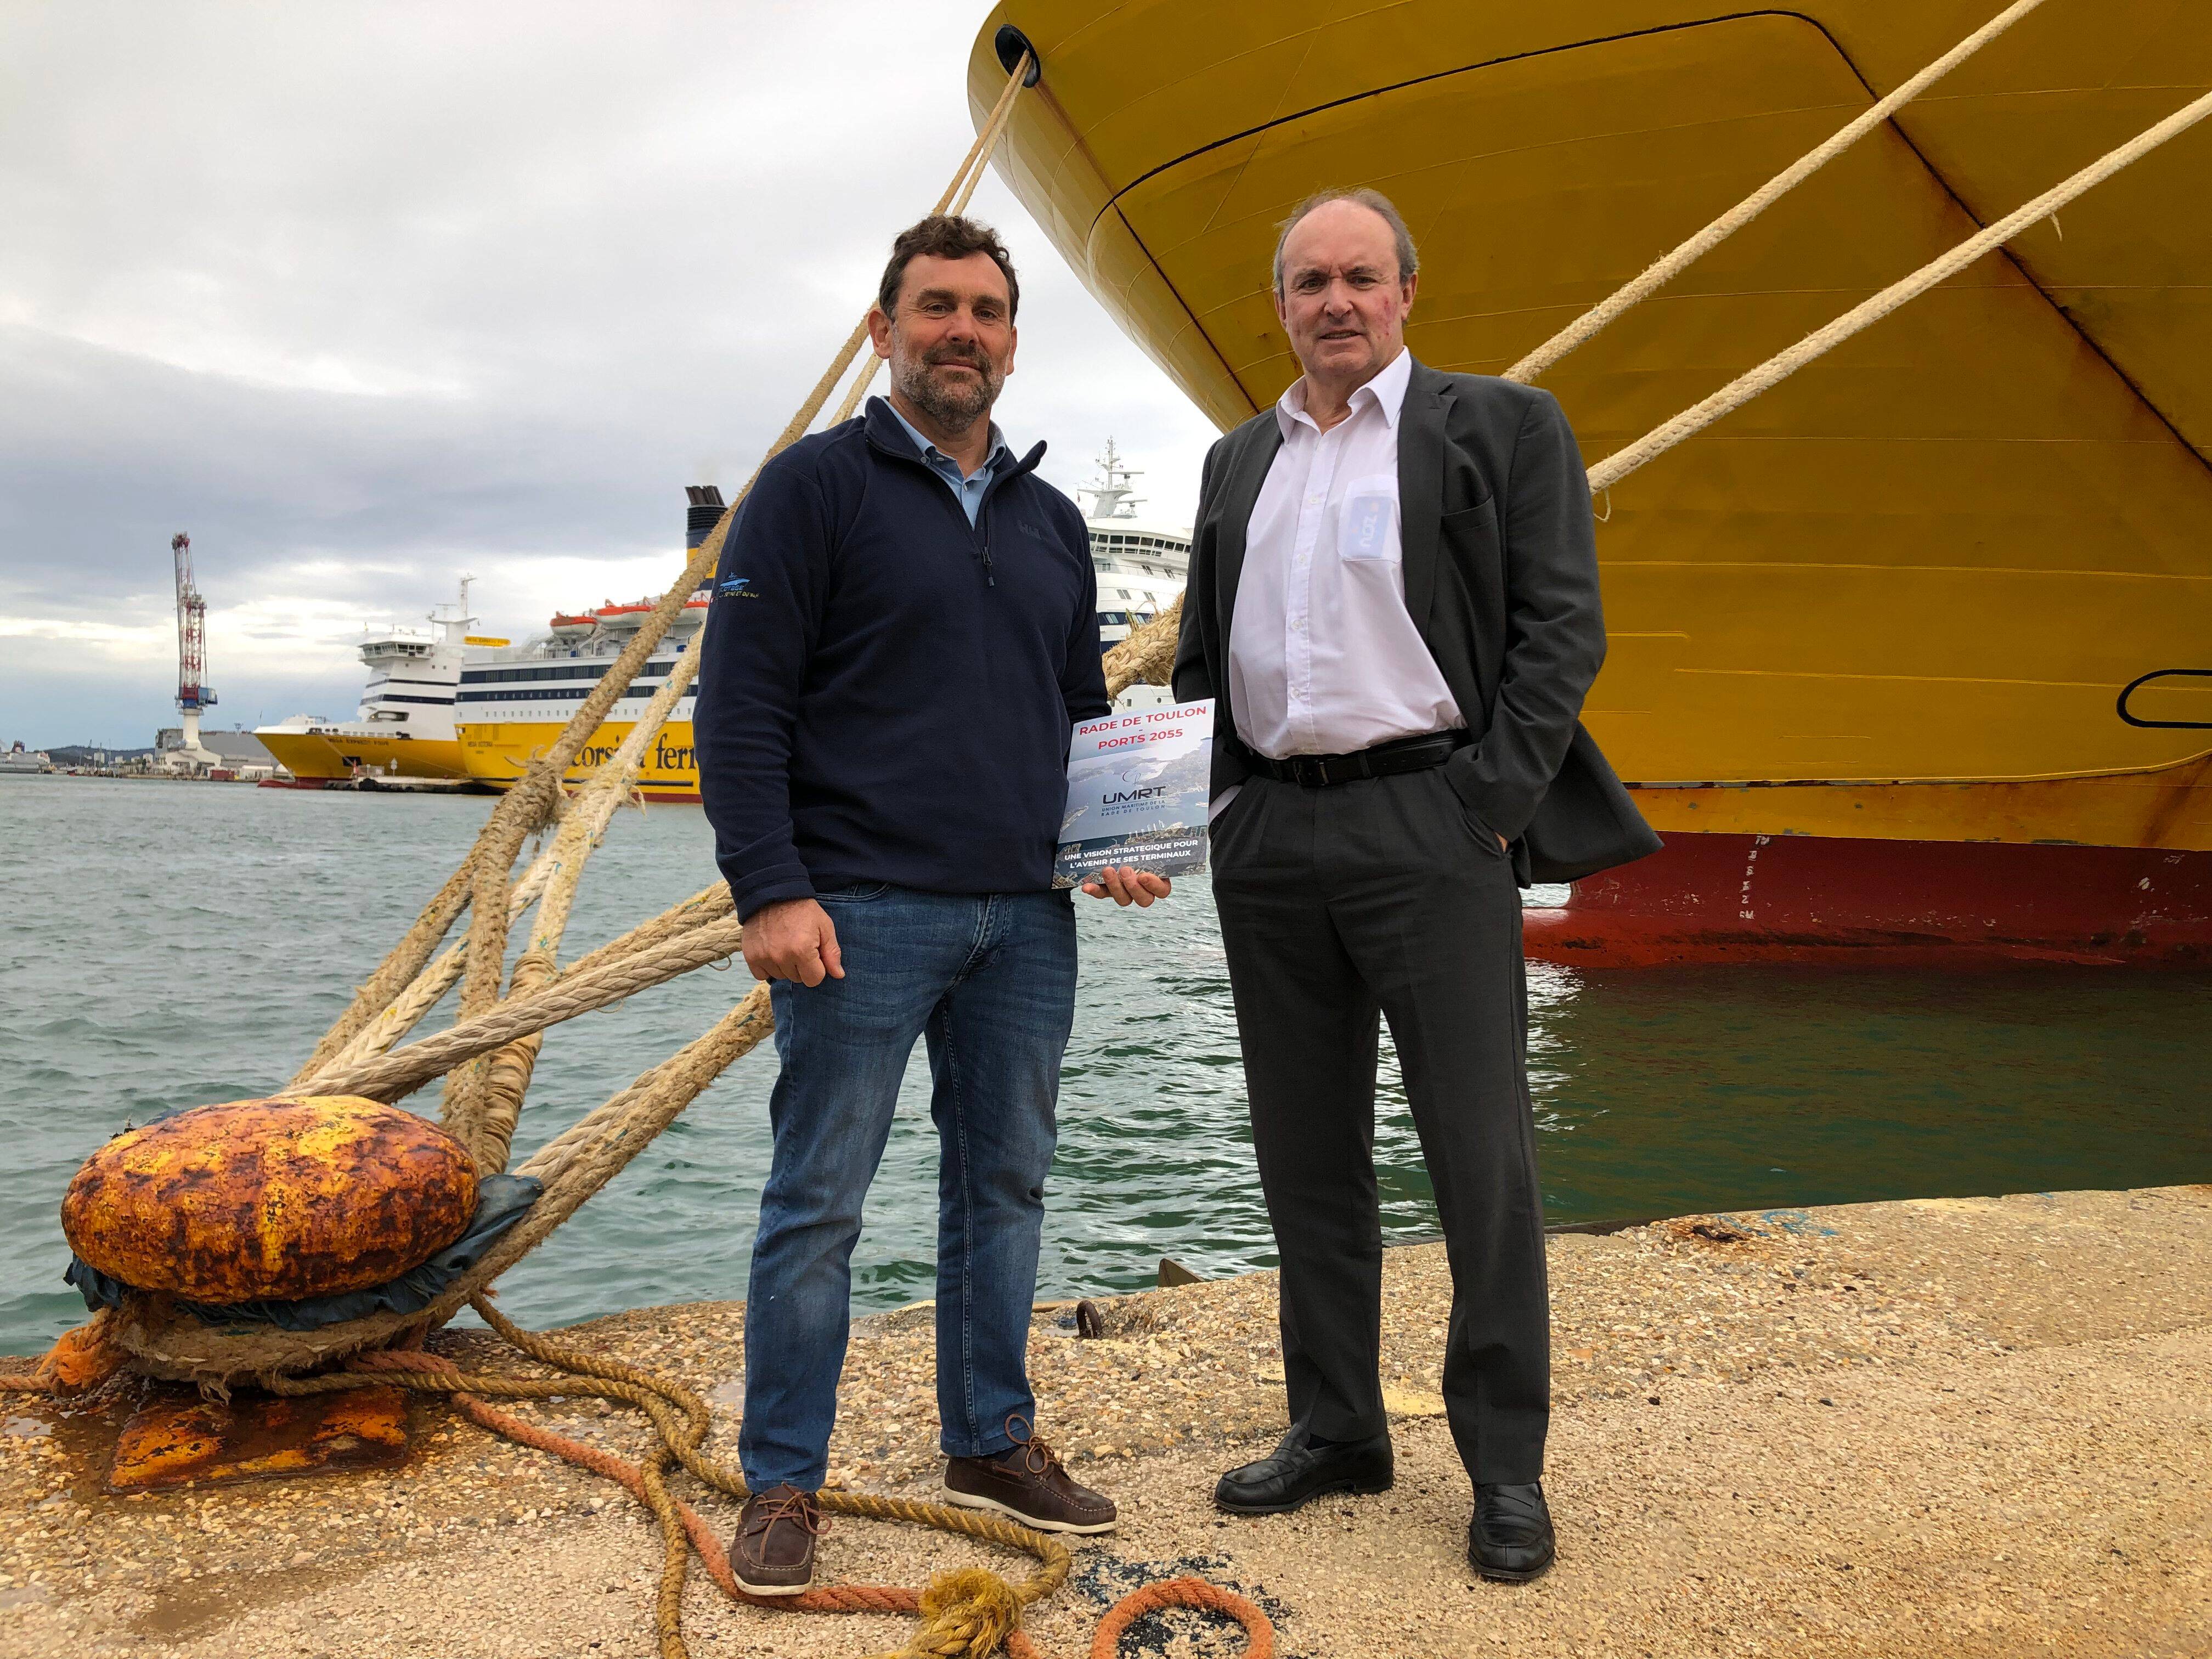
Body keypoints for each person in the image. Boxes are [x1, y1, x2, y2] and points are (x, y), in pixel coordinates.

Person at [1173, 188, 1659, 1583]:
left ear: (1406, 292)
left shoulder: (1504, 426)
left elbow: (1563, 628)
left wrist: (1485, 805)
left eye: (1361, 277)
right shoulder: (1233, 462)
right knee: (1304, 1159)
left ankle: (1505, 1466)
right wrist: (1215, 805)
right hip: (1269, 837)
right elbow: (1207, 653)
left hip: (1432, 828)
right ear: (1280, 305)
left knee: (1479, 1159)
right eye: (1310, 281)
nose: (1337, 301)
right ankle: (1337, 1429)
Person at [695, 213, 1169, 1596]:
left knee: (1005, 1186)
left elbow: (1079, 714)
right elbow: (742, 707)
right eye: (937, 305)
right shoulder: (810, 490)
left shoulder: (1054, 522)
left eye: (988, 310)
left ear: (1014, 341)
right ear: (881, 328)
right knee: (819, 1199)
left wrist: (1111, 839)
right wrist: (769, 889)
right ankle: (783, 1479)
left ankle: (992, 1440)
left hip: (1026, 916)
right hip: (859, 910)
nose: (963, 329)